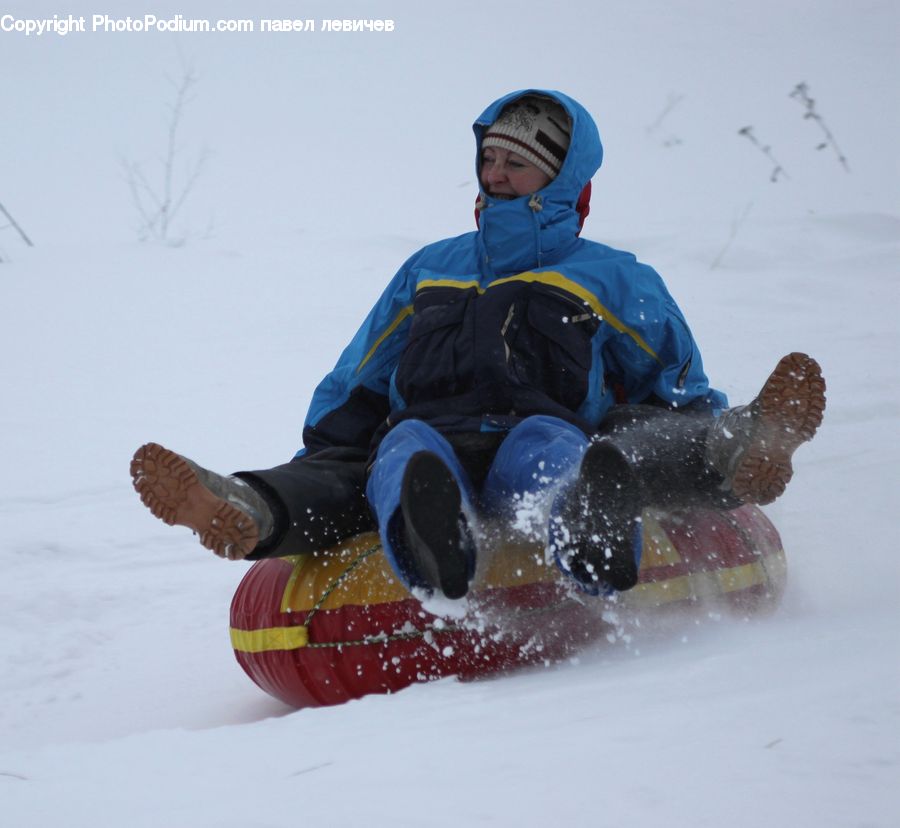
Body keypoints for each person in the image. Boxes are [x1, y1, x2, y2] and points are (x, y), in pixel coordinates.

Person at [131, 90, 826, 600]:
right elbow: (362, 372)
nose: (493, 174)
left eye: (516, 164)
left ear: (560, 178)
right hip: (429, 438)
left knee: (568, 456)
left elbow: (672, 383)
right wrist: (329, 447)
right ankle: (251, 509)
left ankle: (656, 491)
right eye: (489, 157)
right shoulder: (433, 266)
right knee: (390, 463)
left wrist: (699, 434)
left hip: (544, 431)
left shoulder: (611, 276)